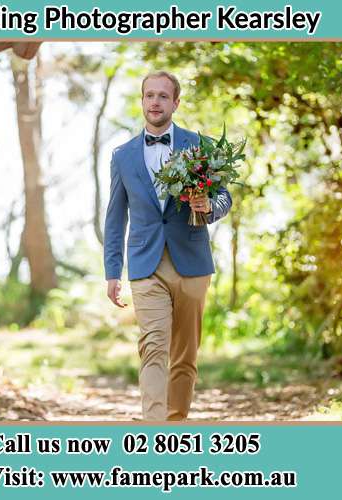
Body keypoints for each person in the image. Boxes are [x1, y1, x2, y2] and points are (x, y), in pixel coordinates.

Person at [103, 71, 232, 421]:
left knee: (185, 354)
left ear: (175, 102)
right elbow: (115, 217)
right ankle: (154, 426)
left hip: (192, 262)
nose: (155, 102)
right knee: (153, 346)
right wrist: (112, 271)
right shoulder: (122, 156)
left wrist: (209, 207)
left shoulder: (198, 145)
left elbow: (224, 198)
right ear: (142, 101)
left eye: (163, 96)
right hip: (146, 266)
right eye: (149, 95)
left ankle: (175, 422)